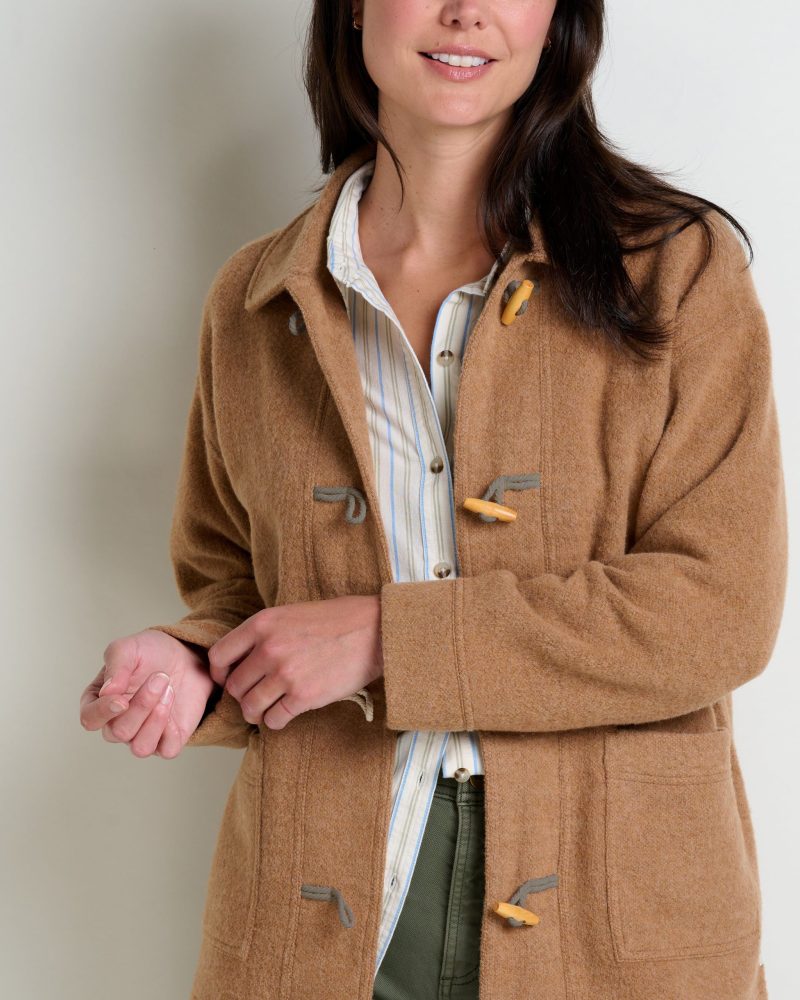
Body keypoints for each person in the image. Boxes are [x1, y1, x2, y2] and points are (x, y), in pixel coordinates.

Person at [79, 2, 787, 998]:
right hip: (318, 908)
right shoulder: (256, 301)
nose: (465, 11)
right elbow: (236, 593)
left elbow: (718, 612)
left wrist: (387, 639)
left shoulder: (674, 268)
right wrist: (192, 661)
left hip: (611, 907)